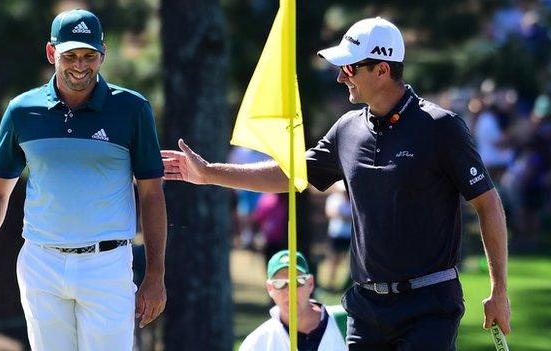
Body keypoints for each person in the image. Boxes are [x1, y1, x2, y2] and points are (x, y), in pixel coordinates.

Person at [162, 17, 510, 350]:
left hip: (428, 305)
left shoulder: (440, 127)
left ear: (382, 70)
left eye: (349, 68)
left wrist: (499, 290)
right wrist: (209, 174)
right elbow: (290, 174)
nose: (342, 78)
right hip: (367, 306)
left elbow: (487, 203)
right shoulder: (346, 129)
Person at [0, 9, 167, 351]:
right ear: (51, 53)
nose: (80, 65)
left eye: (89, 55)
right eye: (70, 55)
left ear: (103, 53)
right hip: (42, 264)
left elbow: (151, 194)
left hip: (108, 264)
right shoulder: (21, 111)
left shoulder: (133, 109)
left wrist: (156, 273)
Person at [239, 250, 346, 351]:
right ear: (270, 288)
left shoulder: (347, 322)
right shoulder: (257, 343)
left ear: (310, 284)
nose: (290, 290)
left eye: (298, 281)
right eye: (279, 283)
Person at [324, 181, 352, 291]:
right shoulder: (334, 199)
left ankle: (346, 285)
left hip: (350, 235)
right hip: (336, 234)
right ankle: (330, 285)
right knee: (334, 261)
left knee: (349, 262)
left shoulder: (353, 198)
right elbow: (331, 213)